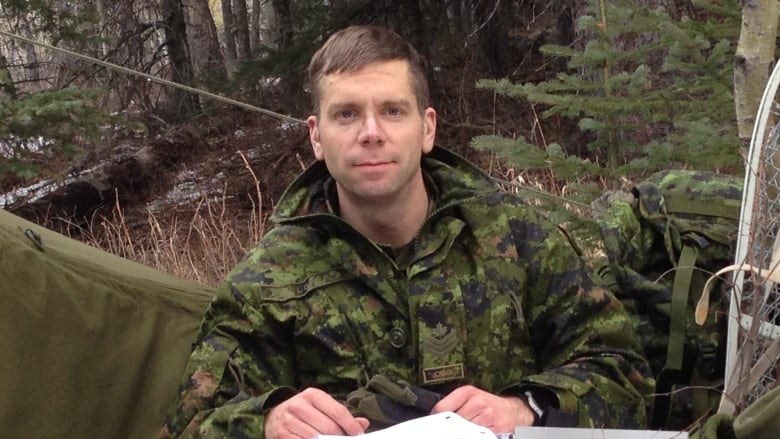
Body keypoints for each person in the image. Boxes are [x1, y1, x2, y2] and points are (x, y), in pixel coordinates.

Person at [159, 24, 654, 439]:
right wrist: (265, 419)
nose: (371, 132)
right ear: (316, 136)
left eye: (393, 111)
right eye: (347, 114)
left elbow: (625, 377)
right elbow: (191, 420)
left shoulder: (520, 242)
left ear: (427, 127)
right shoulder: (265, 282)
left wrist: (527, 408)